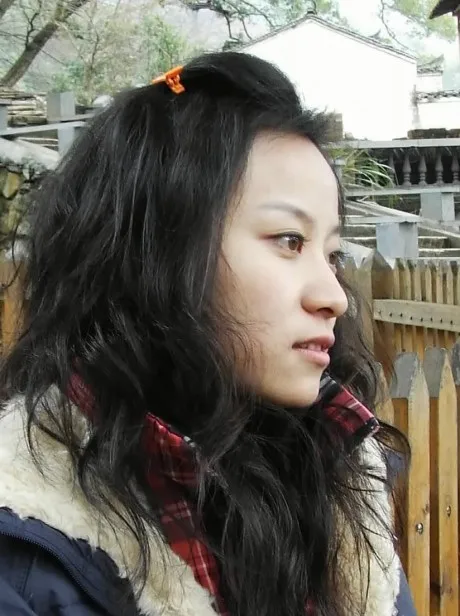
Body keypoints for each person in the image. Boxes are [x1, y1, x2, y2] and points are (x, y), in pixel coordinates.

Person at [0, 51, 415, 616]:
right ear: (158, 248)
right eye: (289, 241)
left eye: (333, 254)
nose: (335, 297)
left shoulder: (344, 482)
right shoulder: (30, 551)